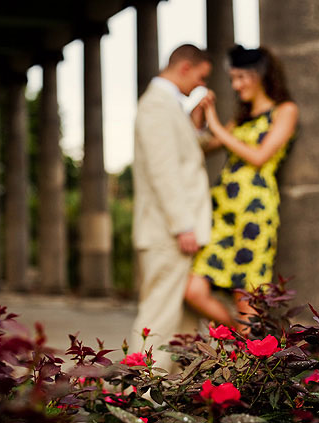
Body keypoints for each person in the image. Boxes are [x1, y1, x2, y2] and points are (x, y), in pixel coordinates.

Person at [184, 45, 299, 330]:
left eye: (240, 78)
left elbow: (260, 156)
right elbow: (202, 148)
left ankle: (246, 362)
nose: (235, 86)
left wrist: (218, 127)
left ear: (260, 75)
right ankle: (239, 336)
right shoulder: (241, 118)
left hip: (254, 216)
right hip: (223, 214)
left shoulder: (285, 111)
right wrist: (200, 116)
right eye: (233, 79)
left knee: (246, 300)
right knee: (193, 290)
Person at [130, 44, 213, 372]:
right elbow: (162, 170)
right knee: (158, 320)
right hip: (168, 232)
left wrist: (198, 126)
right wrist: (183, 225)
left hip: (175, 232)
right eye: (200, 76)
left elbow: (182, 157)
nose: (200, 85)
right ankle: (138, 399)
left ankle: (172, 398)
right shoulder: (156, 105)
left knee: (183, 326)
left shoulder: (170, 106)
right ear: (184, 68)